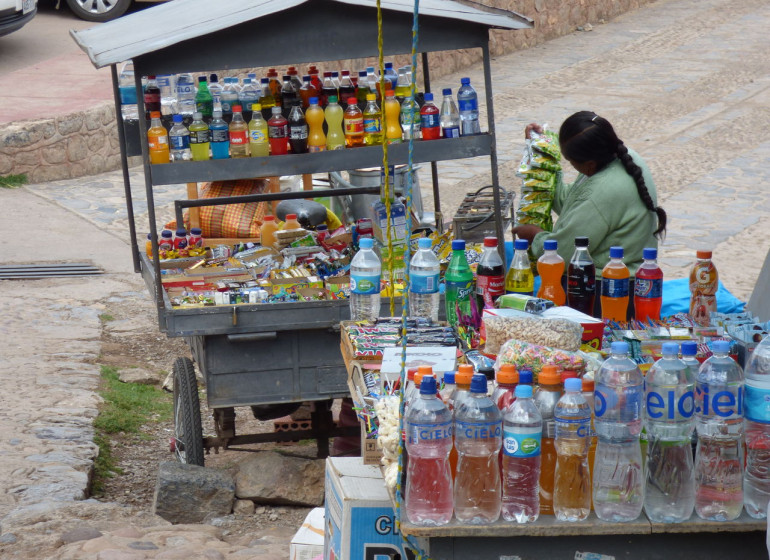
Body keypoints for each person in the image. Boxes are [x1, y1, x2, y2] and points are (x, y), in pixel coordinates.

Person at [513, 111, 667, 317]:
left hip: (610, 291)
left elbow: (563, 253)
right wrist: (540, 154)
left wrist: (536, 236)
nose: (570, 164)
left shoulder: (602, 191)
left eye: (570, 161)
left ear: (590, 164)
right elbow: (572, 203)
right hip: (624, 283)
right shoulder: (620, 157)